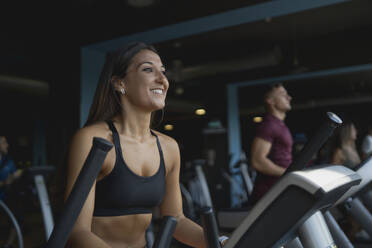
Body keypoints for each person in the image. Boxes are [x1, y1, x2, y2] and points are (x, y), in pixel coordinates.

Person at [64, 42, 227, 248]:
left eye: (163, 71)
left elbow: (176, 219)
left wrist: (223, 242)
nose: (163, 80)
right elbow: (77, 231)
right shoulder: (94, 140)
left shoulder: (168, 147)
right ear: (119, 83)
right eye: (148, 69)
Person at [250, 83, 293, 204]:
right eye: (283, 95)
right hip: (269, 195)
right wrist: (289, 174)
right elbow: (258, 161)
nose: (289, 97)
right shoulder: (268, 125)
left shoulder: (279, 125)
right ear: (270, 101)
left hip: (281, 190)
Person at [0, 136, 23, 248]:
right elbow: (5, 181)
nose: (7, 145)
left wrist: (16, 176)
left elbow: (13, 176)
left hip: (7, 197)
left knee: (17, 217)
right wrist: (4, 182)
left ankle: (8, 245)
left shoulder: (9, 161)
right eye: (4, 142)